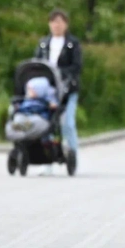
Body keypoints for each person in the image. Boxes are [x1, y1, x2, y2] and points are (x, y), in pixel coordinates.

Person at [34, 10, 82, 162]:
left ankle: (72, 155)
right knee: (45, 124)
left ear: (66, 24)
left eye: (60, 22)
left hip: (67, 89)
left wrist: (58, 73)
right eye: (54, 22)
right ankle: (46, 158)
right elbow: (36, 63)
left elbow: (77, 66)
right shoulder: (43, 43)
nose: (57, 25)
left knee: (67, 123)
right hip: (47, 90)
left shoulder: (72, 44)